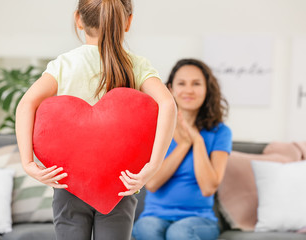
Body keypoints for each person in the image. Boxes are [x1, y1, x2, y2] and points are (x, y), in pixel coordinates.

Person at [15, 1, 177, 240]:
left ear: (78, 20)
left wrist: (28, 162)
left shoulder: (64, 65)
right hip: (120, 185)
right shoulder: (136, 65)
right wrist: (153, 166)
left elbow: (26, 104)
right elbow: (168, 104)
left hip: (68, 183)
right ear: (128, 22)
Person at [132, 58, 232, 240]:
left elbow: (209, 187)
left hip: (199, 219)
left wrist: (197, 141)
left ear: (207, 89)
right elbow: (152, 184)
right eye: (181, 83)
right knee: (145, 229)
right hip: (154, 216)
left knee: (179, 232)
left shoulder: (220, 132)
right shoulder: (156, 129)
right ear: (170, 89)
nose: (189, 90)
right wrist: (185, 145)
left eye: (196, 84)